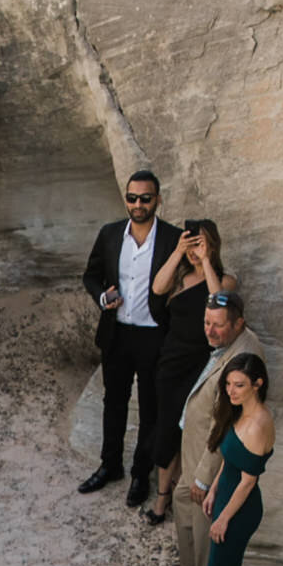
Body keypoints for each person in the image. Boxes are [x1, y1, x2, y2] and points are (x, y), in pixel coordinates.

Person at [79, 169, 181, 504]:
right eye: (132, 197)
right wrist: (102, 298)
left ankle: (140, 474)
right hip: (117, 332)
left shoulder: (171, 238)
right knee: (114, 402)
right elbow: (90, 275)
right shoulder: (110, 234)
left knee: (150, 408)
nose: (137, 204)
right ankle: (110, 466)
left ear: (158, 200)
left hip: (154, 335)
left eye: (145, 198)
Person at [171, 287, 266, 566]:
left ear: (239, 324)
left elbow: (225, 422)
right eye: (206, 322)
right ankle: (189, 565)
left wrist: (203, 477)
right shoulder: (229, 341)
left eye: (218, 325)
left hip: (208, 458)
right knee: (181, 500)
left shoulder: (243, 360)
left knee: (202, 522)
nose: (209, 331)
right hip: (195, 447)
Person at [145, 218, 228, 524]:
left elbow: (218, 302)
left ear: (214, 245)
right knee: (167, 428)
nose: (195, 250)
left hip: (203, 367)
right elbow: (157, 287)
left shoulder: (224, 280)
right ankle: (163, 496)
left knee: (193, 431)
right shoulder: (179, 280)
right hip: (172, 364)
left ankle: (187, 496)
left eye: (201, 243)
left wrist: (206, 261)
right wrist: (179, 252)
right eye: (192, 243)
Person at [194, 354, 274, 566]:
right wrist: (213, 489)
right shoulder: (239, 414)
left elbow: (247, 481)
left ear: (258, 384)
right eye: (228, 384)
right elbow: (229, 461)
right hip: (227, 496)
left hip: (240, 510)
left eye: (239, 385)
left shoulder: (259, 425)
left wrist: (224, 518)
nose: (232, 391)